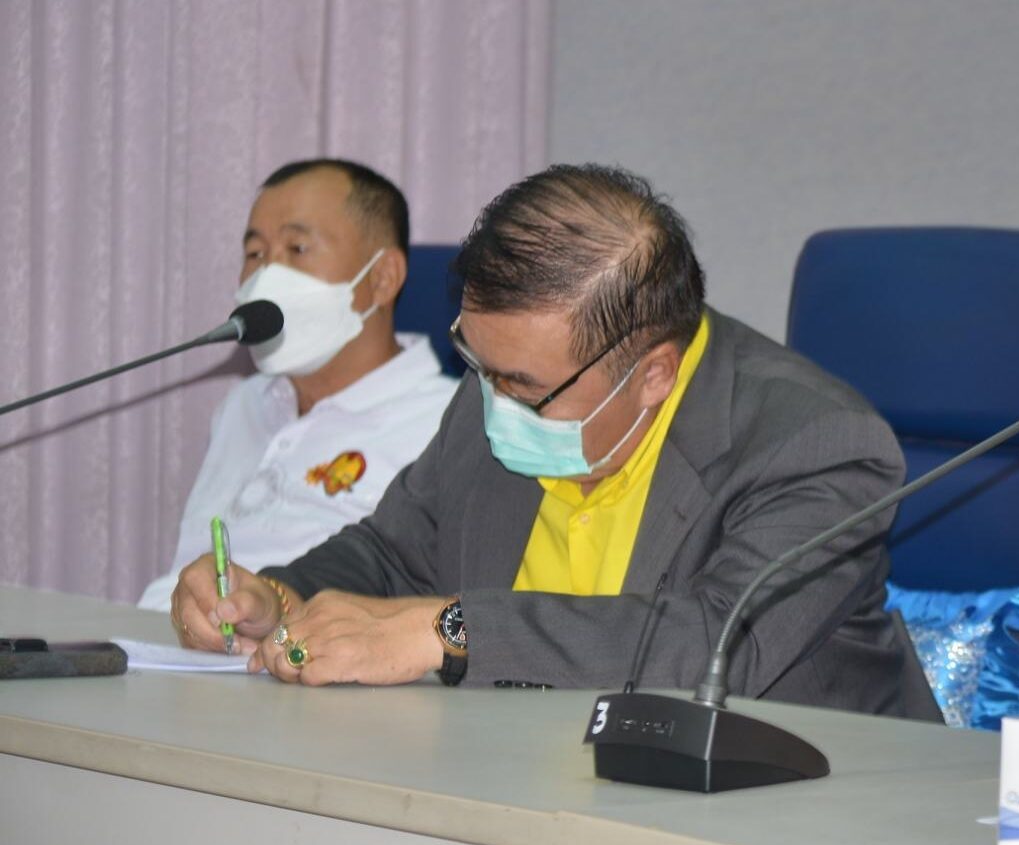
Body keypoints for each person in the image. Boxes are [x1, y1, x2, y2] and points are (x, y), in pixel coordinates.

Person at [167, 163, 938, 719]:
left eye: (522, 385)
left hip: (788, 809)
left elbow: (714, 642)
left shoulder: (815, 440)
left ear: (654, 375)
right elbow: (395, 552)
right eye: (480, 366)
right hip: (537, 779)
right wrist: (278, 594)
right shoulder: (506, 381)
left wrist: (448, 632)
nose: (492, 399)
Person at [137, 159, 457, 611]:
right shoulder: (244, 403)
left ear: (382, 278)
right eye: (255, 254)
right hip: (163, 635)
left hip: (296, 645)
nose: (267, 275)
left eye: (297, 248)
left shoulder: (450, 424)